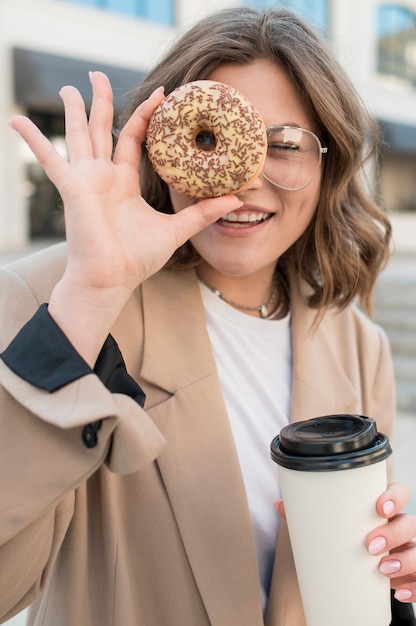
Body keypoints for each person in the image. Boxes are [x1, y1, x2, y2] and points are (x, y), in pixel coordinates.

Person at [0, 7, 415, 626]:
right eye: (215, 141)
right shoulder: (55, 299)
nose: (245, 181)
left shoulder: (356, 343)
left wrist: (389, 576)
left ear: (326, 163)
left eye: (282, 144)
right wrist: (90, 296)